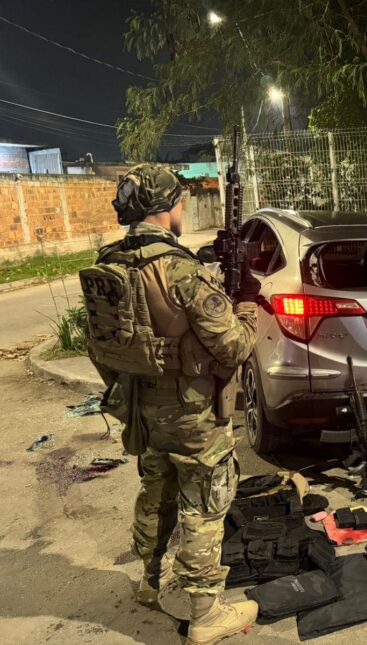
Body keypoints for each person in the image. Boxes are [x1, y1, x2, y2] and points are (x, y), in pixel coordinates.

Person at [80, 164, 262, 643]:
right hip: (192, 412)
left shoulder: (110, 262)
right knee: (204, 500)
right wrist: (246, 303)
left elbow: (97, 342)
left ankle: (151, 580)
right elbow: (234, 347)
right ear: (166, 208)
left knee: (155, 489)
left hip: (141, 405)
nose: (182, 208)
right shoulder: (179, 269)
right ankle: (205, 614)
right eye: (179, 201)